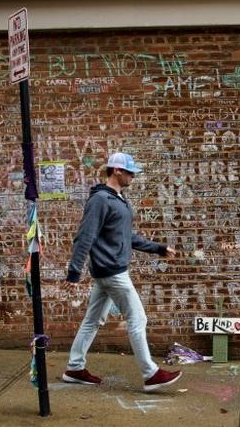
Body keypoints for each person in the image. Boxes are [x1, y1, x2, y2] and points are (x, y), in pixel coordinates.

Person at [61, 152, 182, 392]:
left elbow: (127, 236)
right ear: (116, 170)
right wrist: (74, 273)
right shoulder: (100, 200)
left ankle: (74, 368)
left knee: (93, 320)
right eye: (130, 172)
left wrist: (158, 249)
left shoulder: (118, 199)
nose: (133, 177)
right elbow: (85, 236)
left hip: (107, 272)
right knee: (138, 319)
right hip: (113, 273)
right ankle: (151, 374)